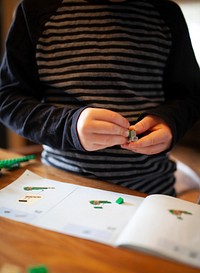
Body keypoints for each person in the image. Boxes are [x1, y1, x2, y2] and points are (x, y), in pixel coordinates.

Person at [0, 0, 200, 196]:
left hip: (151, 192)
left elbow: (191, 95)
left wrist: (170, 122)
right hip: (63, 188)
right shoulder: (36, 9)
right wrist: (69, 126)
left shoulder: (167, 14)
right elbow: (7, 99)